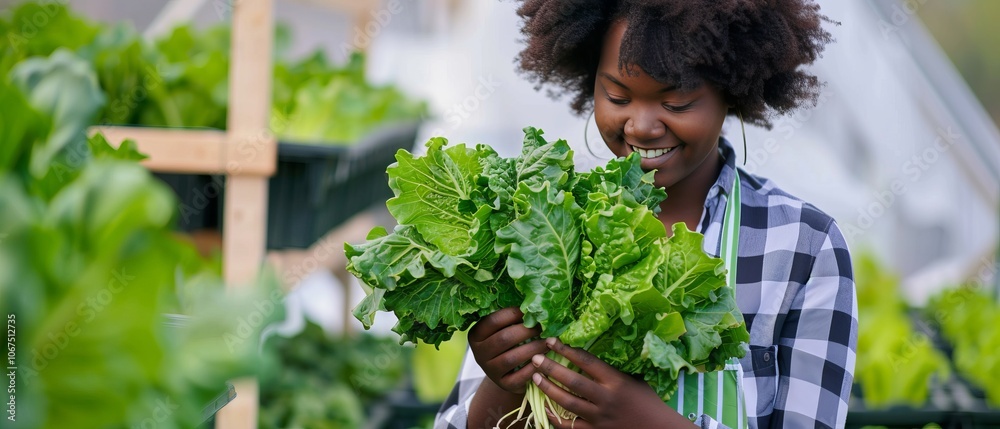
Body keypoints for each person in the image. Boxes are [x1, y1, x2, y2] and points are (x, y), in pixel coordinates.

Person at [435, 1, 858, 428]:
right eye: (618, 96)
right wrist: (502, 383)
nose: (641, 126)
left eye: (676, 103)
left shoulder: (804, 245)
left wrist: (644, 421)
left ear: (732, 93)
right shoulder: (544, 220)